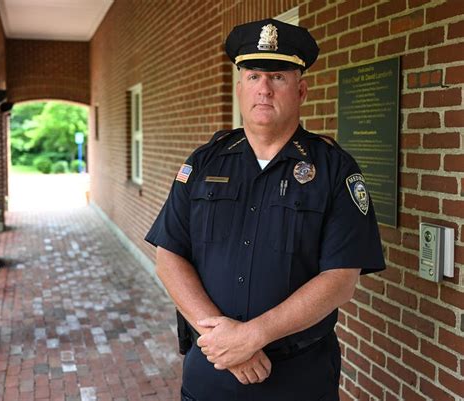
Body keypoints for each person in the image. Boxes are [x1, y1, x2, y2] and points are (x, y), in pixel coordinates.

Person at [145, 18, 385, 401]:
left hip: (298, 378)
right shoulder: (204, 163)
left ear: (301, 90)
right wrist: (224, 343)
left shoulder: (335, 169)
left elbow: (341, 278)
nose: (264, 89)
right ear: (239, 87)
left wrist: (251, 336)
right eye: (254, 75)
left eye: (279, 77)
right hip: (212, 372)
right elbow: (169, 255)